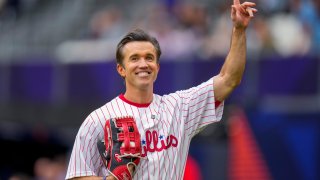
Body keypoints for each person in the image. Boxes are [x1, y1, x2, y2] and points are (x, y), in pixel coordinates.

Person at [65, 0, 257, 179]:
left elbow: (229, 79)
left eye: (149, 58)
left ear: (157, 68)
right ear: (121, 69)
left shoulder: (180, 108)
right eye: (134, 58)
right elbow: (77, 175)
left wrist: (239, 30)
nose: (143, 64)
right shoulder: (98, 119)